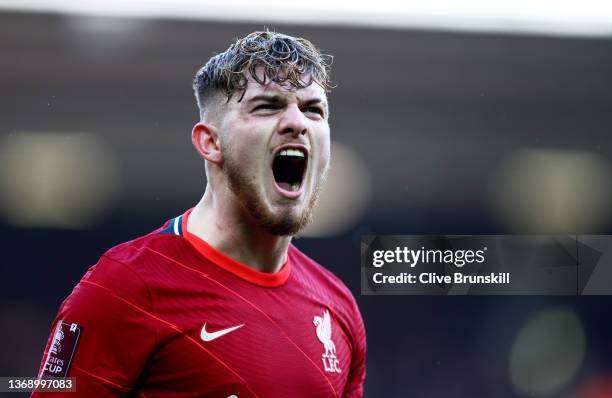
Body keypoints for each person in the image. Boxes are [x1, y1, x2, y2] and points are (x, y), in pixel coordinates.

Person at [33, 31, 366, 397]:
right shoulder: (125, 288)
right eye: (267, 106)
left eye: (313, 109)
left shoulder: (337, 309)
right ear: (210, 142)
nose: (297, 122)